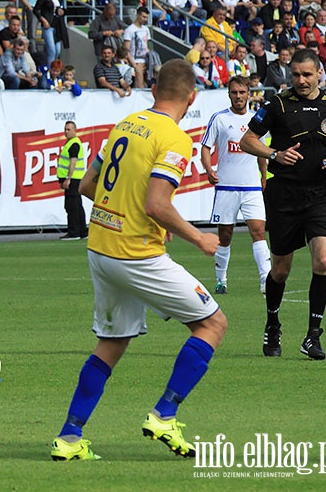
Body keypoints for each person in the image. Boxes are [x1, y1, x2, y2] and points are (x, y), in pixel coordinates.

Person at [50, 59, 226, 461]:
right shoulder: (177, 138)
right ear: (192, 97)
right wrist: (200, 238)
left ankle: (69, 438)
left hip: (101, 248)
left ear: (152, 91)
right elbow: (157, 204)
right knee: (212, 323)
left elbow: (89, 183)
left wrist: (121, 213)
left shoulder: (125, 124)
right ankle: (164, 413)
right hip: (135, 253)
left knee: (111, 343)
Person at [239, 48, 326, 360]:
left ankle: (313, 335)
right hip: (284, 193)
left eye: (306, 75)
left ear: (319, 74)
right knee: (281, 269)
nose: (301, 80)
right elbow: (248, 140)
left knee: (324, 262)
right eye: (296, 75)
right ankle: (272, 324)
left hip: (319, 193)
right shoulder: (277, 104)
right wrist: (274, 154)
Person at [200, 76, 271, 296]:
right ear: (229, 94)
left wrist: (263, 174)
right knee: (225, 235)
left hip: (251, 187)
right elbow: (205, 147)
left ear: (249, 94)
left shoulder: (257, 121)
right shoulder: (219, 119)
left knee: (258, 231)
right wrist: (208, 168)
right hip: (227, 187)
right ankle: (221, 281)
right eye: (234, 92)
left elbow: (261, 150)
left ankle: (266, 281)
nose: (238, 96)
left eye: (242, 92)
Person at [58, 121, 88, 241]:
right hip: (76, 179)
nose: (66, 132)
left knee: (72, 206)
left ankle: (74, 232)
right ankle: (83, 231)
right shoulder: (71, 143)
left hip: (73, 179)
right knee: (77, 205)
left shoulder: (74, 144)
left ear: (75, 130)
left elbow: (73, 162)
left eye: (69, 129)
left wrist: (68, 178)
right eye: (65, 129)